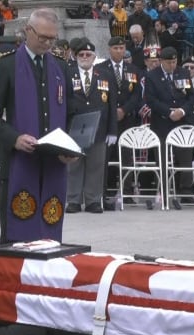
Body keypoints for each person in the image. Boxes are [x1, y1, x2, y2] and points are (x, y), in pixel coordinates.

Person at [0, 8, 74, 244]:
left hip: (53, 164)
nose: (47, 43)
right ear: (28, 31)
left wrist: (71, 149)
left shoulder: (61, 67)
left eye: (51, 38)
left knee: (49, 238)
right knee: (17, 238)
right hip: (18, 163)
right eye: (42, 37)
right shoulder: (6, 67)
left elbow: (72, 115)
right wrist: (14, 138)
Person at [143, 46, 194, 209]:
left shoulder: (182, 73)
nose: (172, 66)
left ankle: (186, 190)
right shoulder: (152, 76)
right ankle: (163, 188)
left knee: (185, 156)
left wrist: (182, 110)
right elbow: (151, 100)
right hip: (162, 121)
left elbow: (192, 96)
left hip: (182, 120)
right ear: (161, 61)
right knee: (161, 156)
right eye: (169, 63)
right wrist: (168, 112)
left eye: (174, 62)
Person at [65, 40, 117, 214]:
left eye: (88, 55)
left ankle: (93, 200)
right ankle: (73, 200)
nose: (85, 57)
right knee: (74, 164)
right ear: (75, 56)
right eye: (81, 55)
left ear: (94, 57)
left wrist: (112, 130)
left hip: (99, 128)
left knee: (96, 164)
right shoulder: (68, 73)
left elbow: (111, 104)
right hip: (74, 128)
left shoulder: (105, 75)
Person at [96, 36, 143, 210]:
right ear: (109, 49)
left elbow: (137, 95)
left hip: (126, 118)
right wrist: (111, 112)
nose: (119, 51)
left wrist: (124, 109)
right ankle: (102, 192)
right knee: (104, 156)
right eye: (115, 48)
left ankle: (127, 191)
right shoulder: (100, 68)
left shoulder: (133, 69)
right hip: (107, 120)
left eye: (121, 48)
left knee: (127, 156)